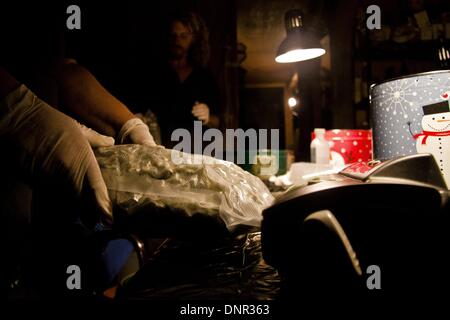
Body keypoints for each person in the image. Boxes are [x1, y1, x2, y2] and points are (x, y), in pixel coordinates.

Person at [146, 11, 222, 148]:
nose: (177, 40)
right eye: (173, 35)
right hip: (160, 150)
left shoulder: (204, 77)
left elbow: (218, 122)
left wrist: (208, 117)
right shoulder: (155, 73)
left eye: (183, 36)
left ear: (193, 39)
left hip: (195, 151)